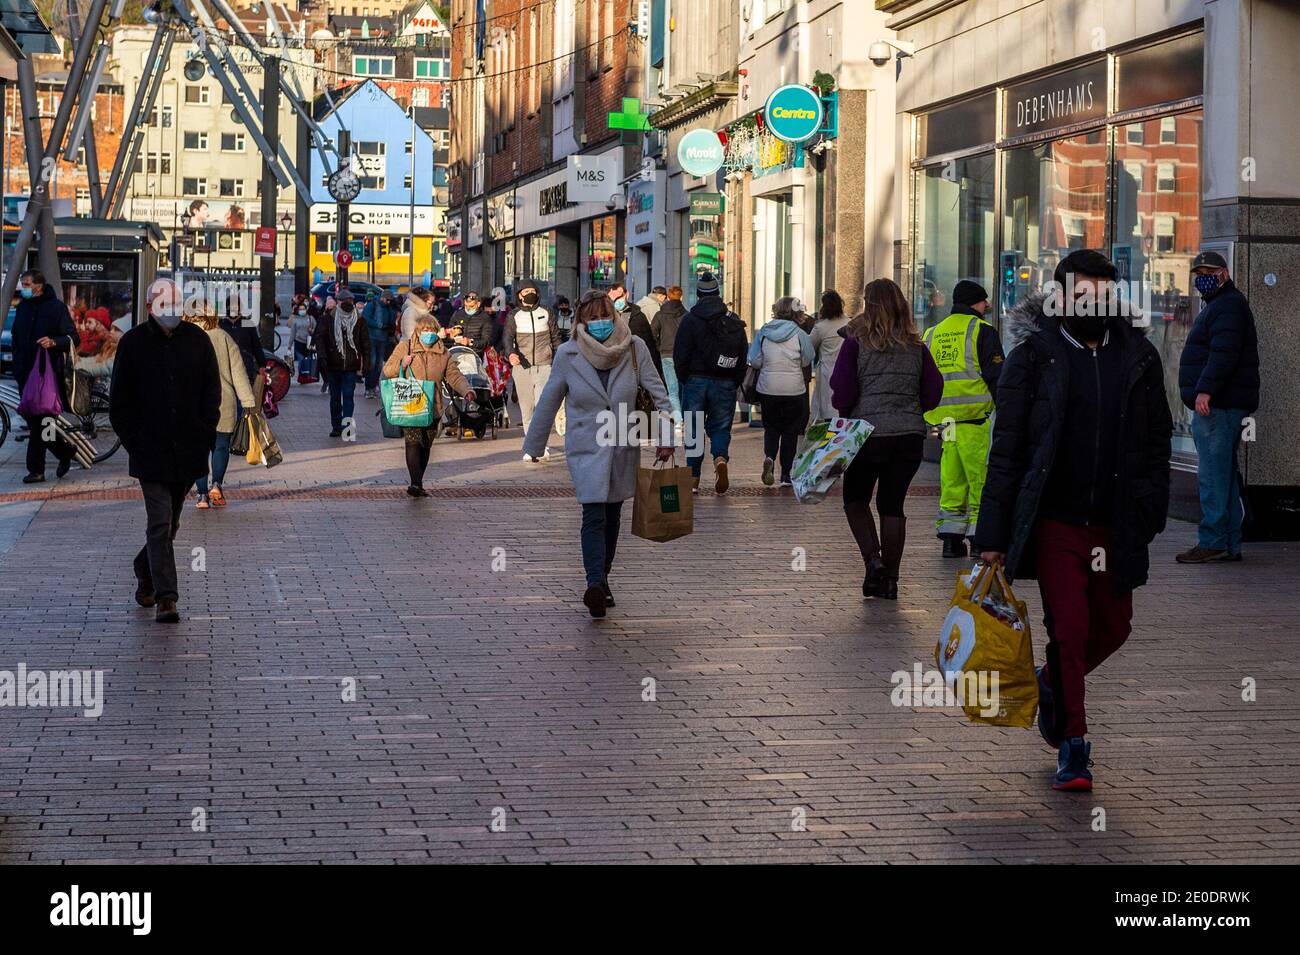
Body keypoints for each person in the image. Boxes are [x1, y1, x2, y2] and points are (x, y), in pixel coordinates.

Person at [974, 249, 1172, 792]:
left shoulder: (1137, 355)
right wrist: (991, 536)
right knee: (1071, 628)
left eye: (1105, 292)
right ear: (1062, 295)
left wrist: (1151, 505)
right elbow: (1008, 449)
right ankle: (1075, 748)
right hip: (1055, 523)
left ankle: (1051, 683)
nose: (1096, 301)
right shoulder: (1034, 355)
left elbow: (1158, 438)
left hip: (1115, 523)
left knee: (1114, 627)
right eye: (1084, 292)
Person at [522, 290, 673, 618]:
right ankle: (594, 582)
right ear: (581, 321)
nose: (601, 323)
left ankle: (602, 579)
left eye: (606, 316)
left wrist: (668, 435)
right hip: (586, 445)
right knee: (594, 514)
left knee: (613, 515)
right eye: (593, 318)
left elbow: (658, 393)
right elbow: (550, 398)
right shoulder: (568, 353)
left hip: (621, 441)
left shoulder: (634, 348)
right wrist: (534, 445)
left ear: (615, 315)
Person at [109, 289, 221, 624]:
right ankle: (167, 598)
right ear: (148, 307)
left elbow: (211, 391)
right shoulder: (133, 343)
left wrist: (205, 432)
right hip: (150, 452)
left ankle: (144, 567)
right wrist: (135, 442)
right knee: (159, 523)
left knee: (171, 524)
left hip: (188, 450)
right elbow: (119, 403)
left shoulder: (197, 341)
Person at [830, 279, 943, 599]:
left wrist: (846, 414)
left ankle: (873, 562)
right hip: (908, 436)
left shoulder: (856, 341)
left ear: (870, 304)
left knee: (855, 499)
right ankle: (891, 580)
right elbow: (933, 391)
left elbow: (843, 388)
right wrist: (912, 409)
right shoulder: (915, 344)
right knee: (892, 505)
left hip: (867, 434)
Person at [1176, 250, 1260, 563]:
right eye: (1198, 274)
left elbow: (1223, 353)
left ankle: (1212, 540)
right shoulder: (1224, 305)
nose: (1202, 278)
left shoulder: (1227, 306)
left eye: (1208, 271)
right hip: (1224, 404)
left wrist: (1205, 391)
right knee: (1222, 473)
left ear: (1224, 273)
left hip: (1219, 406)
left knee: (1212, 474)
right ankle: (1228, 542)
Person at [922, 280, 1005, 557]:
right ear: (975, 303)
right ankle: (979, 539)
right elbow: (997, 378)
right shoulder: (982, 331)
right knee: (980, 479)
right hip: (975, 420)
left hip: (946, 423)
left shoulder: (932, 333)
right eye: (984, 302)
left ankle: (950, 539)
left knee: (952, 479)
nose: (986, 306)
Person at [382, 314, 477, 497]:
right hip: (410, 403)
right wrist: (402, 363)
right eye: (425, 330)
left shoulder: (444, 353)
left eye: (432, 330)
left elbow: (454, 376)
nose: (429, 334)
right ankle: (415, 484)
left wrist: (467, 391)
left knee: (426, 445)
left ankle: (418, 481)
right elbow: (387, 370)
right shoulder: (406, 347)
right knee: (413, 441)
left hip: (433, 406)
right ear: (418, 332)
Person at [672, 271, 748, 493]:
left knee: (694, 429)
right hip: (724, 382)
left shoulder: (689, 320)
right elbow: (743, 355)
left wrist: (684, 379)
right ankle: (720, 459)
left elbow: (680, 355)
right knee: (720, 427)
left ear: (698, 295)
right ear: (718, 293)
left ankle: (694, 478)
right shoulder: (732, 321)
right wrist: (735, 380)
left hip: (695, 381)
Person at [11, 270, 79, 483]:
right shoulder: (22, 308)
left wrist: (54, 342)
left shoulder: (56, 308)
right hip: (26, 374)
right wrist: (17, 365)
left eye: (28, 284)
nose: (24, 288)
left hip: (48, 375)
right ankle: (64, 451)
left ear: (40, 285)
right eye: (23, 283)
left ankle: (36, 470)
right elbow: (16, 337)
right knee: (36, 422)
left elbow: (73, 338)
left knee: (42, 422)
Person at [190, 308, 255, 509]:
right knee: (220, 446)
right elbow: (239, 374)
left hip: (194, 403)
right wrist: (248, 402)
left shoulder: (186, 339)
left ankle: (202, 495)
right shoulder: (224, 337)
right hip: (222, 401)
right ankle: (216, 484)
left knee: (198, 449)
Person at [748, 296, 814, 487]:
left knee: (771, 427)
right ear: (796, 312)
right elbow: (807, 358)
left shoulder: (764, 332)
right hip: (794, 389)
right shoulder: (800, 334)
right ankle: (786, 474)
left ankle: (769, 457)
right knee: (790, 431)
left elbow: (754, 359)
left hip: (768, 388)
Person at [503, 280, 560, 455]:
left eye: (532, 290)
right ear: (519, 294)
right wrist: (511, 354)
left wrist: (559, 361)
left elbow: (556, 339)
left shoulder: (546, 312)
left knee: (542, 408)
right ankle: (531, 447)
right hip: (522, 368)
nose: (529, 293)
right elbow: (507, 339)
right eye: (525, 291)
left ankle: (540, 444)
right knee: (527, 410)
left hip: (545, 366)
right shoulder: (514, 315)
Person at [314, 288, 371, 437]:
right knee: (334, 398)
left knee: (347, 396)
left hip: (351, 366)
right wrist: (322, 357)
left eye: (349, 301)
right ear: (338, 302)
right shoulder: (328, 319)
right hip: (332, 364)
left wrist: (366, 364)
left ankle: (346, 427)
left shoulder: (359, 320)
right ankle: (336, 425)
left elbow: (366, 343)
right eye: (344, 301)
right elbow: (319, 339)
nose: (347, 303)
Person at [808, 290, 849, 423]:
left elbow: (808, 349)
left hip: (827, 372)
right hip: (847, 372)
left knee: (829, 412)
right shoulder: (850, 323)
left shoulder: (821, 327)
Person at [609, 282, 662, 381]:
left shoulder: (637, 315)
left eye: (619, 295)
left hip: (632, 367)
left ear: (626, 294)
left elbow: (649, 343)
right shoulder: (606, 315)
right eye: (613, 297)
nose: (616, 299)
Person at [651, 285, 687, 424]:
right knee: (684, 387)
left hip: (666, 354)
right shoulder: (687, 315)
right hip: (683, 355)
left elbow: (652, 333)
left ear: (668, 297)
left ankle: (678, 420)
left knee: (672, 389)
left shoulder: (660, 314)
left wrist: (660, 348)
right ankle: (685, 415)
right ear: (681, 297)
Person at [362, 290, 398, 398]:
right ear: (382, 297)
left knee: (378, 365)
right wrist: (377, 325)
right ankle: (369, 388)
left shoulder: (389, 308)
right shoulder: (372, 304)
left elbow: (391, 323)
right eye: (387, 300)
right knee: (372, 364)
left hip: (383, 339)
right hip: (372, 338)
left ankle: (372, 387)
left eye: (390, 301)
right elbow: (365, 318)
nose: (388, 302)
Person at [450, 290, 495, 355]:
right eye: (466, 306)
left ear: (478, 304)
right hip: (457, 352)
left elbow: (487, 340)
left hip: (476, 354)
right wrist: (451, 335)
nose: (468, 309)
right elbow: (449, 331)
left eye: (471, 306)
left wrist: (470, 342)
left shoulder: (485, 318)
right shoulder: (457, 314)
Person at [289, 298, 315, 377]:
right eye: (300, 309)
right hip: (298, 342)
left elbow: (316, 330)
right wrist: (289, 346)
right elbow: (292, 333)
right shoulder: (295, 320)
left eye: (303, 309)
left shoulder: (310, 318)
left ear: (306, 309)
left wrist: (311, 330)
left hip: (308, 342)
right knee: (301, 360)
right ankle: (301, 375)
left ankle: (307, 374)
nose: (302, 310)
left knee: (308, 360)